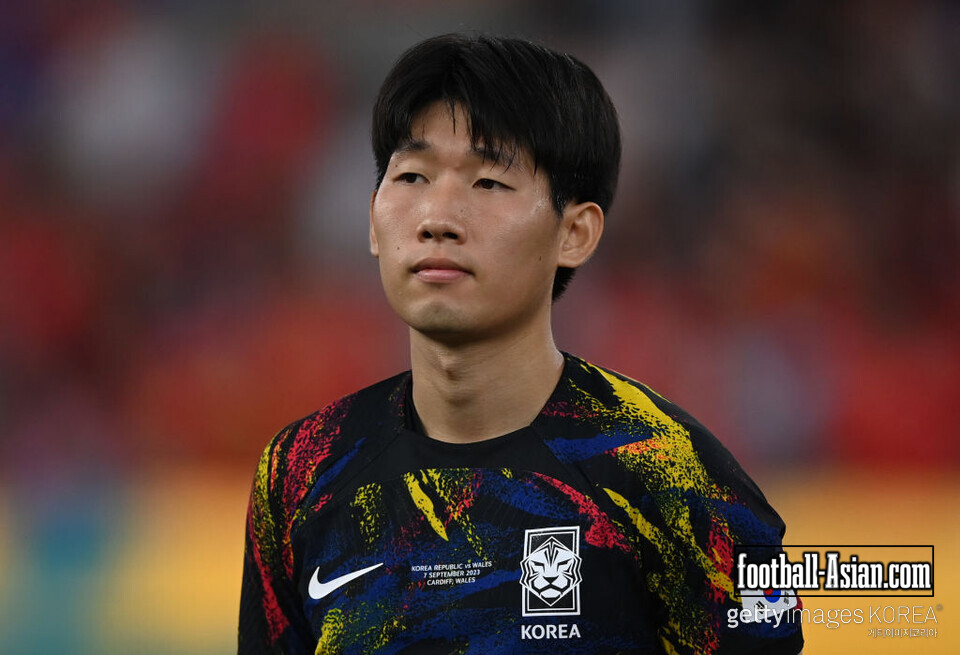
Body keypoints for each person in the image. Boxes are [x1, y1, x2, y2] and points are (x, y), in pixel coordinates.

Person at [238, 33, 804, 654]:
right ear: (373, 218)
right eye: (413, 175)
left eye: (488, 183)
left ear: (576, 233)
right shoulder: (299, 473)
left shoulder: (671, 472)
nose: (437, 217)